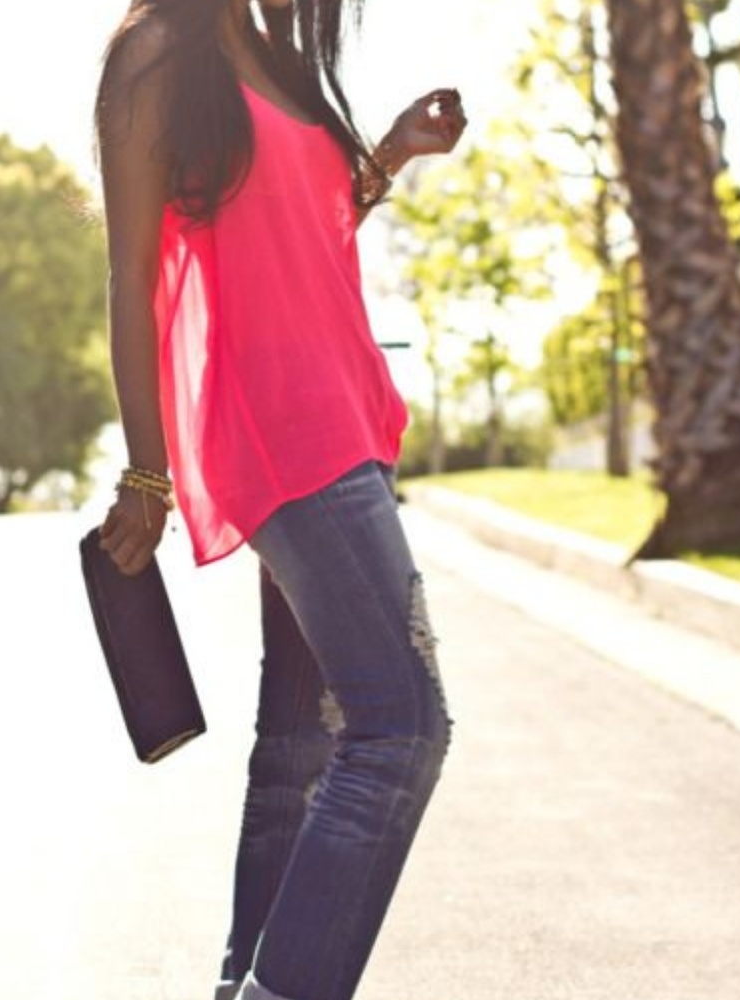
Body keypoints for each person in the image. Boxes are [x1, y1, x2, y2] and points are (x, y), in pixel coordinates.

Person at [94, 2, 466, 998]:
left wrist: (387, 153)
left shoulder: (264, 49)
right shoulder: (154, 55)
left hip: (345, 415)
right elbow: (130, 274)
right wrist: (146, 467)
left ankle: (240, 980)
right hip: (283, 431)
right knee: (401, 725)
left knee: (303, 744)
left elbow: (305, 221)